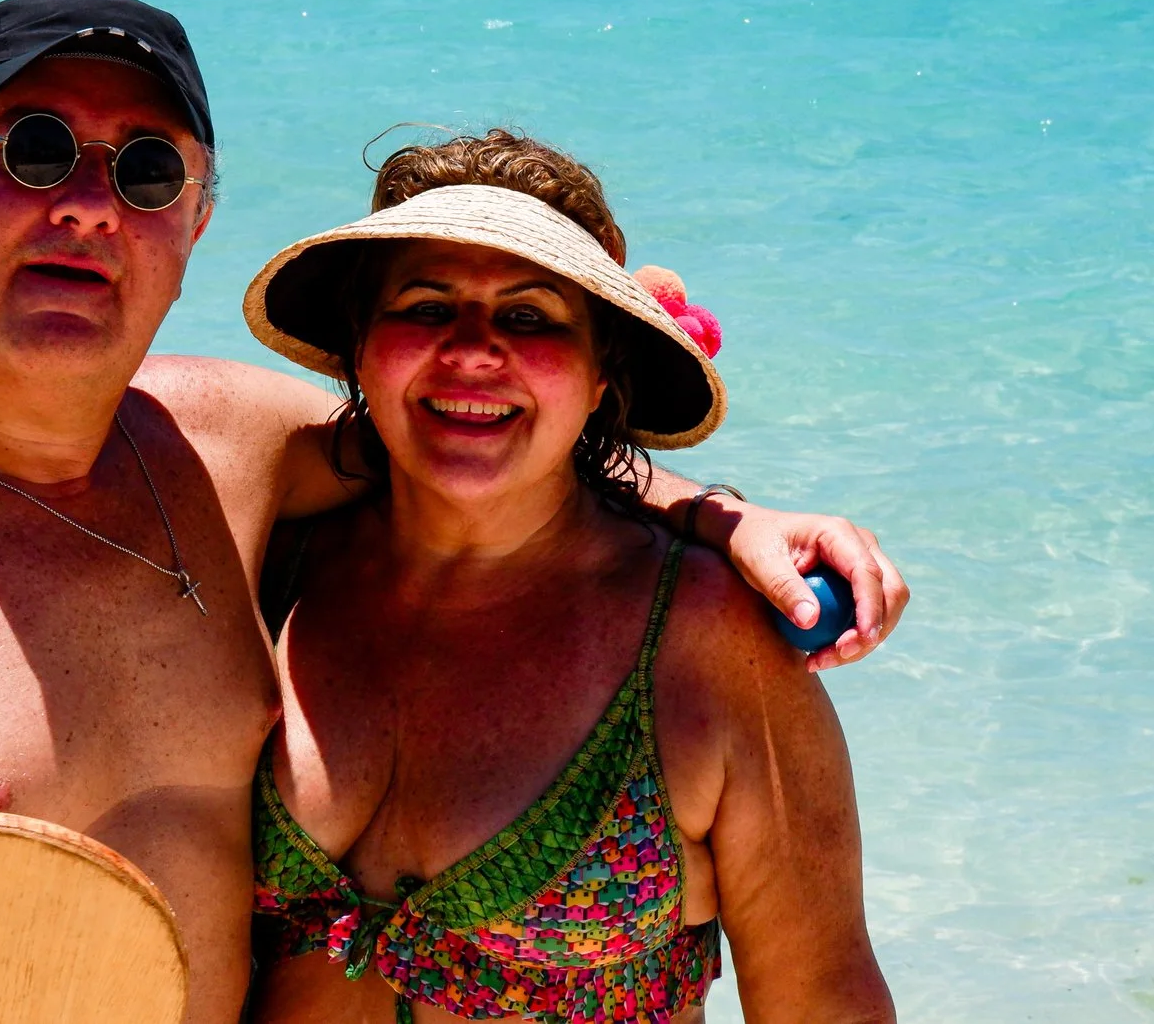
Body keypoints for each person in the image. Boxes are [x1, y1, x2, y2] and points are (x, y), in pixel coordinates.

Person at [0, 0, 907, 1024]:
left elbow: (483, 441)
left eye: (143, 171)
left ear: (191, 221)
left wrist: (719, 515)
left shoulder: (225, 447)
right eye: (33, 146)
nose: (85, 206)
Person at [244, 133, 894, 1023]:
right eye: (428, 306)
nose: (473, 351)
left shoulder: (706, 636)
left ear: (599, 378)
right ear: (359, 349)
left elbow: (823, 993)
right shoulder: (270, 566)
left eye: (529, 317)